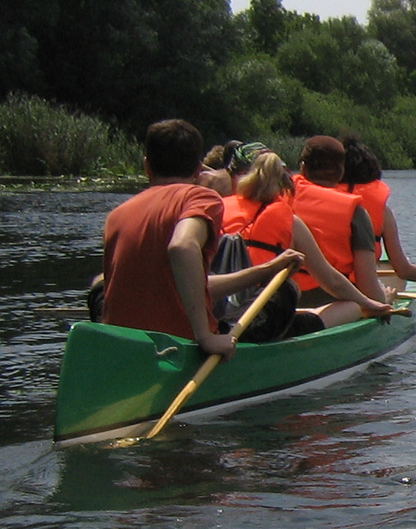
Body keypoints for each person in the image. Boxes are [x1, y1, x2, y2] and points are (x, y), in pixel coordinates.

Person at [100, 119, 302, 358]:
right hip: (179, 346)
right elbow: (182, 246)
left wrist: (268, 269)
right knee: (287, 290)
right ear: (198, 169)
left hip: (122, 345)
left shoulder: (116, 215)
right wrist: (205, 337)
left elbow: (192, 285)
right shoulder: (200, 198)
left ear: (147, 167)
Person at [223, 151, 393, 333]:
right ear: (287, 188)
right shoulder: (291, 222)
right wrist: (372, 303)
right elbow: (332, 282)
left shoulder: (221, 209)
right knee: (352, 306)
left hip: (217, 312)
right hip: (259, 322)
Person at [340, 135, 416, 284]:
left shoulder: (316, 204)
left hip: (318, 289)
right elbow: (403, 270)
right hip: (359, 291)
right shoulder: (383, 213)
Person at [291, 136, 391, 305]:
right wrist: (386, 300)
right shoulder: (355, 212)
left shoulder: (277, 198)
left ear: (303, 168)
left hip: (282, 297)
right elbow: (368, 288)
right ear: (341, 171)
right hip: (332, 302)